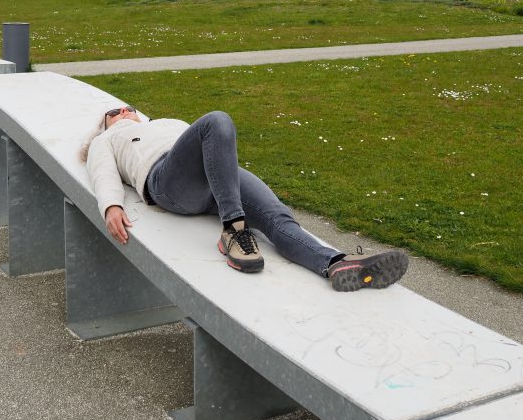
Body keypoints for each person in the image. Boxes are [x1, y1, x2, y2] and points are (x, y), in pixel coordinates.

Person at [84, 106, 408, 292]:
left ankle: (336, 264)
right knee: (217, 120)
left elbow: (213, 147)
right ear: (106, 123)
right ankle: (234, 230)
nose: (124, 111)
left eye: (129, 109)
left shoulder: (167, 123)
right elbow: (102, 172)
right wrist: (111, 205)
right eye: (115, 112)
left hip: (217, 180)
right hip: (169, 181)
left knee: (277, 218)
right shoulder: (108, 139)